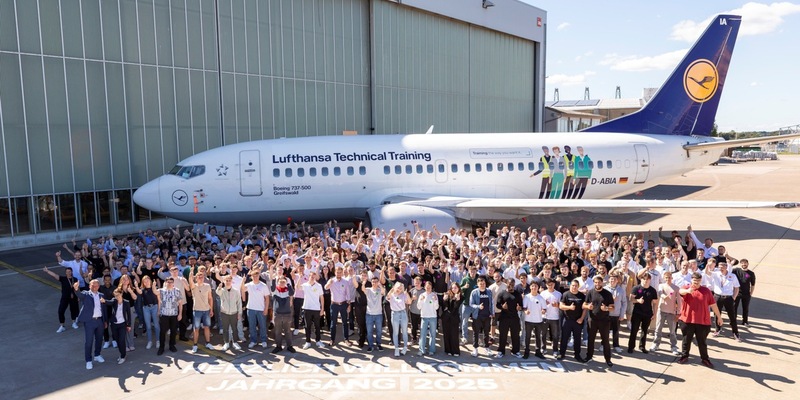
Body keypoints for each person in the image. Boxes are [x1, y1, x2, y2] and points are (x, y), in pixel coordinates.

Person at [678, 272, 723, 368]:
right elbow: (680, 291)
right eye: (694, 281)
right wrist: (688, 291)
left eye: (698, 281)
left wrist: (719, 317)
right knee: (686, 340)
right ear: (691, 280)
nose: (696, 283)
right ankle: (684, 356)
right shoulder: (687, 288)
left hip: (702, 322)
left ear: (701, 280)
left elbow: (713, 305)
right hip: (687, 320)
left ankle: (705, 359)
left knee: (702, 342)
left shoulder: (706, 291)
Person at [73, 279, 107, 370]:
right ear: (89, 286)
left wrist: (105, 321)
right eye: (93, 285)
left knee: (99, 339)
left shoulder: (101, 295)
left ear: (99, 286)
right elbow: (79, 294)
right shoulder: (86, 294)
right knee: (89, 341)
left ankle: (97, 354)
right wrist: (76, 289)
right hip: (89, 321)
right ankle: (88, 360)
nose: (95, 287)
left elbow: (104, 310)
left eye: (96, 285)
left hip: (99, 320)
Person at [584, 275, 615, 367]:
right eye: (596, 282)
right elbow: (584, 304)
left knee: (605, 341)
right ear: (594, 283)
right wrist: (587, 306)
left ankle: (608, 359)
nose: (597, 284)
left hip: (604, 321)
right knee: (591, 340)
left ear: (602, 283)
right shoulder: (590, 292)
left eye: (599, 282)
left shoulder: (607, 293)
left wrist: (606, 308)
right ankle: (589, 357)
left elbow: (613, 308)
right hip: (592, 320)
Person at [650, 271, 682, 355]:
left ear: (672, 278)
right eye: (666, 278)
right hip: (661, 310)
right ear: (664, 278)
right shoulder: (661, 286)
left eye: (669, 277)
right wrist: (664, 297)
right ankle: (656, 344)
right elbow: (660, 293)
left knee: (672, 331)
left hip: (671, 312)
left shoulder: (676, 288)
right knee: (658, 329)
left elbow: (679, 301)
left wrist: (678, 312)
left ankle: (674, 346)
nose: (668, 279)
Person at [628, 271, 658, 353]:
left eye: (647, 280)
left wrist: (655, 313)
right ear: (641, 279)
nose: (646, 281)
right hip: (637, 312)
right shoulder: (636, 288)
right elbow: (631, 299)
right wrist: (637, 300)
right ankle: (631, 347)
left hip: (647, 313)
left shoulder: (652, 290)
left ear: (650, 280)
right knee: (634, 330)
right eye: (644, 279)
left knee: (644, 331)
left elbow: (655, 303)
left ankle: (642, 347)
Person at [43, 266, 80, 332]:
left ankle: (73, 322)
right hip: (65, 297)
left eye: (69, 271)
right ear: (65, 273)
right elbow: (55, 275)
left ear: (72, 272)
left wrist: (78, 296)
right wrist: (47, 271)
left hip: (73, 297)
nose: (68, 273)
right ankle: (62, 326)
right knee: (61, 311)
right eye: (67, 272)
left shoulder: (75, 279)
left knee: (73, 310)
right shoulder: (63, 279)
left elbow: (77, 289)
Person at [712, 261, 741, 342]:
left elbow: (736, 288)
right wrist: (709, 264)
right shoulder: (716, 274)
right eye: (719, 267)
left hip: (728, 298)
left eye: (723, 267)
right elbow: (707, 272)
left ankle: (735, 332)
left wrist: (733, 298)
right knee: (717, 314)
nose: (721, 268)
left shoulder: (732, 276)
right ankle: (718, 329)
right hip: (718, 297)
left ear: (726, 267)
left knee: (732, 316)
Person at [558, 279, 586, 362]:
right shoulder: (565, 294)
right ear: (570, 286)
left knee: (577, 338)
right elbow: (561, 306)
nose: (574, 287)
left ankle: (577, 355)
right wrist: (569, 307)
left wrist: (581, 318)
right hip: (567, 320)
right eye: (573, 285)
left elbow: (584, 309)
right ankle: (562, 353)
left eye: (576, 286)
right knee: (564, 337)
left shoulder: (582, 296)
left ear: (578, 287)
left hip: (578, 320)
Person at [242, 270, 271, 349]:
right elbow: (242, 289)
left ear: (259, 276)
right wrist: (243, 281)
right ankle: (253, 341)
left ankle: (264, 340)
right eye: (253, 276)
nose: (255, 277)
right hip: (250, 309)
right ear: (251, 277)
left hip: (261, 309)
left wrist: (266, 309)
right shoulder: (249, 285)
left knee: (262, 326)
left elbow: (267, 298)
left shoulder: (263, 285)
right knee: (252, 326)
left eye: (256, 276)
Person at [325, 266, 353, 346]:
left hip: (344, 304)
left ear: (342, 273)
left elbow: (348, 294)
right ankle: (332, 339)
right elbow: (326, 288)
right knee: (333, 323)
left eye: (340, 272)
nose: (339, 274)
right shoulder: (332, 280)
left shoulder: (345, 282)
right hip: (334, 304)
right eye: (337, 272)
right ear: (335, 272)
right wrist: (329, 283)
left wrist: (349, 305)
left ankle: (346, 339)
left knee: (345, 322)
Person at [156, 276, 184, 355]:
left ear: (173, 283)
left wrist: (180, 313)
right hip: (164, 314)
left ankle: (172, 345)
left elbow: (180, 303)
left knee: (173, 331)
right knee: (162, 332)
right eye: (168, 282)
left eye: (171, 282)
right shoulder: (161, 291)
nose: (170, 283)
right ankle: (161, 347)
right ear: (165, 282)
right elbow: (155, 292)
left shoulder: (177, 291)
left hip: (174, 314)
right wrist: (153, 285)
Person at [188, 269, 214, 352]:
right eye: (199, 277)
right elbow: (190, 282)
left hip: (206, 310)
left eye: (202, 277)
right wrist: (191, 274)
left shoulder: (207, 286)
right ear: (196, 278)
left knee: (207, 327)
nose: (200, 278)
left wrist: (211, 309)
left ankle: (208, 343)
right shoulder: (194, 286)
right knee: (196, 329)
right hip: (197, 310)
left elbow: (210, 298)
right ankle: (195, 345)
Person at [496, 281, 523, 358]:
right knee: (503, 335)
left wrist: (519, 308)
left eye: (512, 284)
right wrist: (502, 307)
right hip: (504, 317)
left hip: (514, 317)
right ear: (506, 284)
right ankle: (501, 351)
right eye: (509, 284)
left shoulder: (517, 294)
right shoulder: (502, 293)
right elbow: (497, 305)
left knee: (515, 335)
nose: (510, 285)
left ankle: (515, 351)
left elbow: (521, 305)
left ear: (514, 285)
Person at [469, 277, 495, 357]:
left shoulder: (489, 291)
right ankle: (475, 348)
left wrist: (492, 312)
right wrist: (478, 306)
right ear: (478, 284)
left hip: (487, 315)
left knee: (486, 332)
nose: (482, 285)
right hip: (477, 316)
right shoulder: (474, 292)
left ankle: (486, 347)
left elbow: (492, 303)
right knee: (476, 332)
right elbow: (471, 304)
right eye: (480, 284)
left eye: (483, 284)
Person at [217, 274, 243, 352]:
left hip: (234, 312)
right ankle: (226, 343)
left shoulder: (236, 291)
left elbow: (239, 303)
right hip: (224, 312)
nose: (228, 282)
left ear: (232, 281)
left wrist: (239, 313)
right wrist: (219, 287)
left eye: (229, 280)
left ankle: (235, 342)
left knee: (234, 329)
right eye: (226, 280)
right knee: (225, 329)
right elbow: (217, 292)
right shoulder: (222, 290)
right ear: (224, 281)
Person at [301, 271, 326, 349]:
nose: (312, 277)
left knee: (317, 326)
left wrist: (322, 309)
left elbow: (321, 297)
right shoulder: (305, 285)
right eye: (311, 276)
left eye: (314, 276)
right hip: (307, 308)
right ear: (309, 276)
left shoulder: (318, 286)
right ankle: (308, 342)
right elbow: (297, 287)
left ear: (315, 277)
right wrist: (300, 277)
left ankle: (318, 341)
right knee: (307, 326)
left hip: (316, 309)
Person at [106, 288, 132, 364]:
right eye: (115, 295)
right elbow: (109, 302)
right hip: (114, 324)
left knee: (121, 341)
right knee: (117, 341)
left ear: (121, 294)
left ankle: (123, 356)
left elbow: (129, 315)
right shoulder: (114, 301)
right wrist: (104, 301)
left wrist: (129, 325)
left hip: (122, 324)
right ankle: (121, 354)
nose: (117, 297)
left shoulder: (126, 302)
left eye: (118, 295)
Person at [271, 276, 296, 354]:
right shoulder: (275, 290)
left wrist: (288, 284)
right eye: (280, 282)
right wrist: (274, 279)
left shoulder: (288, 290)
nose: (282, 283)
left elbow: (292, 292)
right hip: (277, 314)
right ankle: (278, 346)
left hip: (287, 314)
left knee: (287, 331)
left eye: (283, 282)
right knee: (277, 331)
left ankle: (289, 346)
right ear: (278, 282)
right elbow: (272, 288)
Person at [522, 281, 546, 359]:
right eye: (532, 286)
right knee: (527, 336)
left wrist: (543, 311)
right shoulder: (526, 297)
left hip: (538, 320)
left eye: (535, 286)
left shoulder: (541, 298)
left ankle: (538, 351)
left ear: (538, 288)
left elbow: (544, 308)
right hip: (528, 320)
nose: (534, 288)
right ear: (530, 287)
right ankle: (526, 351)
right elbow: (524, 307)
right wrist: (525, 311)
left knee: (538, 336)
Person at [136, 276, 161, 350]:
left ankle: (158, 341)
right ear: (143, 283)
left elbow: (159, 300)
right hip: (146, 308)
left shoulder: (155, 288)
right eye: (144, 281)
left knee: (156, 325)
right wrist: (136, 286)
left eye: (147, 280)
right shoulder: (143, 290)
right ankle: (149, 341)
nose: (146, 282)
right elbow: (139, 291)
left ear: (150, 281)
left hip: (155, 307)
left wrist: (159, 310)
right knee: (148, 326)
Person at [604, 274, 627, 353]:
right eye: (611, 279)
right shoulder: (604, 289)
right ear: (608, 280)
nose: (612, 281)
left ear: (617, 281)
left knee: (616, 331)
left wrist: (622, 314)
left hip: (616, 314)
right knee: (605, 331)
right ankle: (604, 344)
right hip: (606, 314)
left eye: (614, 279)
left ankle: (616, 345)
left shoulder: (621, 290)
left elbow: (624, 303)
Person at [388, 282, 412, 356]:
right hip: (395, 314)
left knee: (404, 331)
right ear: (395, 287)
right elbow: (387, 296)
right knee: (395, 332)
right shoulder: (391, 295)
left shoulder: (403, 295)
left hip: (403, 313)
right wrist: (392, 290)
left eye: (401, 288)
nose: (399, 289)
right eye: (398, 287)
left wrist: (406, 293)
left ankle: (405, 347)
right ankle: (396, 348)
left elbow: (409, 302)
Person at [540, 278, 562, 357]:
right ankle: (543, 348)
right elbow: (539, 305)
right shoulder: (543, 293)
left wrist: (557, 305)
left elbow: (561, 305)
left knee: (555, 335)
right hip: (545, 316)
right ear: (546, 285)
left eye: (551, 285)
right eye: (548, 285)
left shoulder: (558, 294)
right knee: (543, 334)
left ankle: (555, 350)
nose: (550, 286)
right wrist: (543, 306)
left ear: (554, 284)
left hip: (555, 317)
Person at [417, 281, 439, 356]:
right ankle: (422, 350)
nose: (428, 289)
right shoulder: (421, 295)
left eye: (429, 288)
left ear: (431, 288)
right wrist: (421, 300)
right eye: (427, 287)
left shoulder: (434, 295)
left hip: (433, 317)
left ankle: (431, 350)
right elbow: (419, 307)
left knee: (432, 334)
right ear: (425, 287)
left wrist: (435, 300)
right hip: (424, 317)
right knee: (422, 334)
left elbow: (436, 307)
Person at [441, 282, 463, 356]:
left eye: (455, 288)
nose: (454, 289)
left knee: (454, 334)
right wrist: (444, 300)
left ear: (458, 288)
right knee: (447, 334)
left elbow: (455, 307)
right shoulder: (447, 295)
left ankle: (455, 351)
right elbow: (445, 307)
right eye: (452, 288)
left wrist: (457, 300)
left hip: (454, 318)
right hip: (446, 317)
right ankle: (448, 350)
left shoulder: (460, 296)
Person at [732, 258, 755, 326]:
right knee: (734, 307)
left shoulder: (751, 273)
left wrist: (750, 293)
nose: (744, 264)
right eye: (742, 263)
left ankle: (745, 321)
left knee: (745, 308)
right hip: (737, 293)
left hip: (746, 294)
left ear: (748, 264)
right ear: (740, 264)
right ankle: (733, 320)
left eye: (745, 263)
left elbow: (753, 284)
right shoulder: (736, 270)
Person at [365, 276, 386, 352]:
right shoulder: (368, 290)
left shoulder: (380, 290)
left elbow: (384, 292)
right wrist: (364, 282)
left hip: (378, 314)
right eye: (373, 282)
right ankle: (370, 345)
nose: (374, 283)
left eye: (376, 282)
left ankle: (379, 344)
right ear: (371, 282)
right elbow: (363, 289)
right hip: (369, 314)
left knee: (379, 331)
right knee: (369, 331)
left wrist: (380, 285)